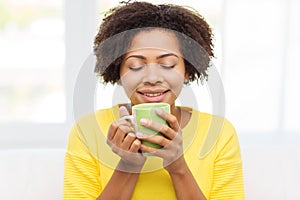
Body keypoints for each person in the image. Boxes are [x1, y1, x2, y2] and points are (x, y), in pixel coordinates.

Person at [63, 1, 244, 199]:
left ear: (187, 70)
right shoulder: (88, 130)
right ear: (118, 72)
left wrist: (179, 168)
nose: (152, 78)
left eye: (167, 64)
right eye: (134, 66)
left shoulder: (219, 134)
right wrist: (128, 166)